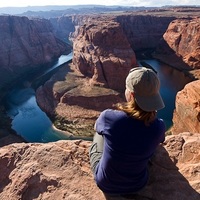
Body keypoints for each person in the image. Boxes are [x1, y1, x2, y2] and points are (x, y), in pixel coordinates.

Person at [89, 67, 166, 199]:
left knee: (99, 134)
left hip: (106, 183)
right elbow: (161, 141)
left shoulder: (110, 118)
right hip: (139, 184)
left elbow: (97, 127)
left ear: (131, 94)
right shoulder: (159, 126)